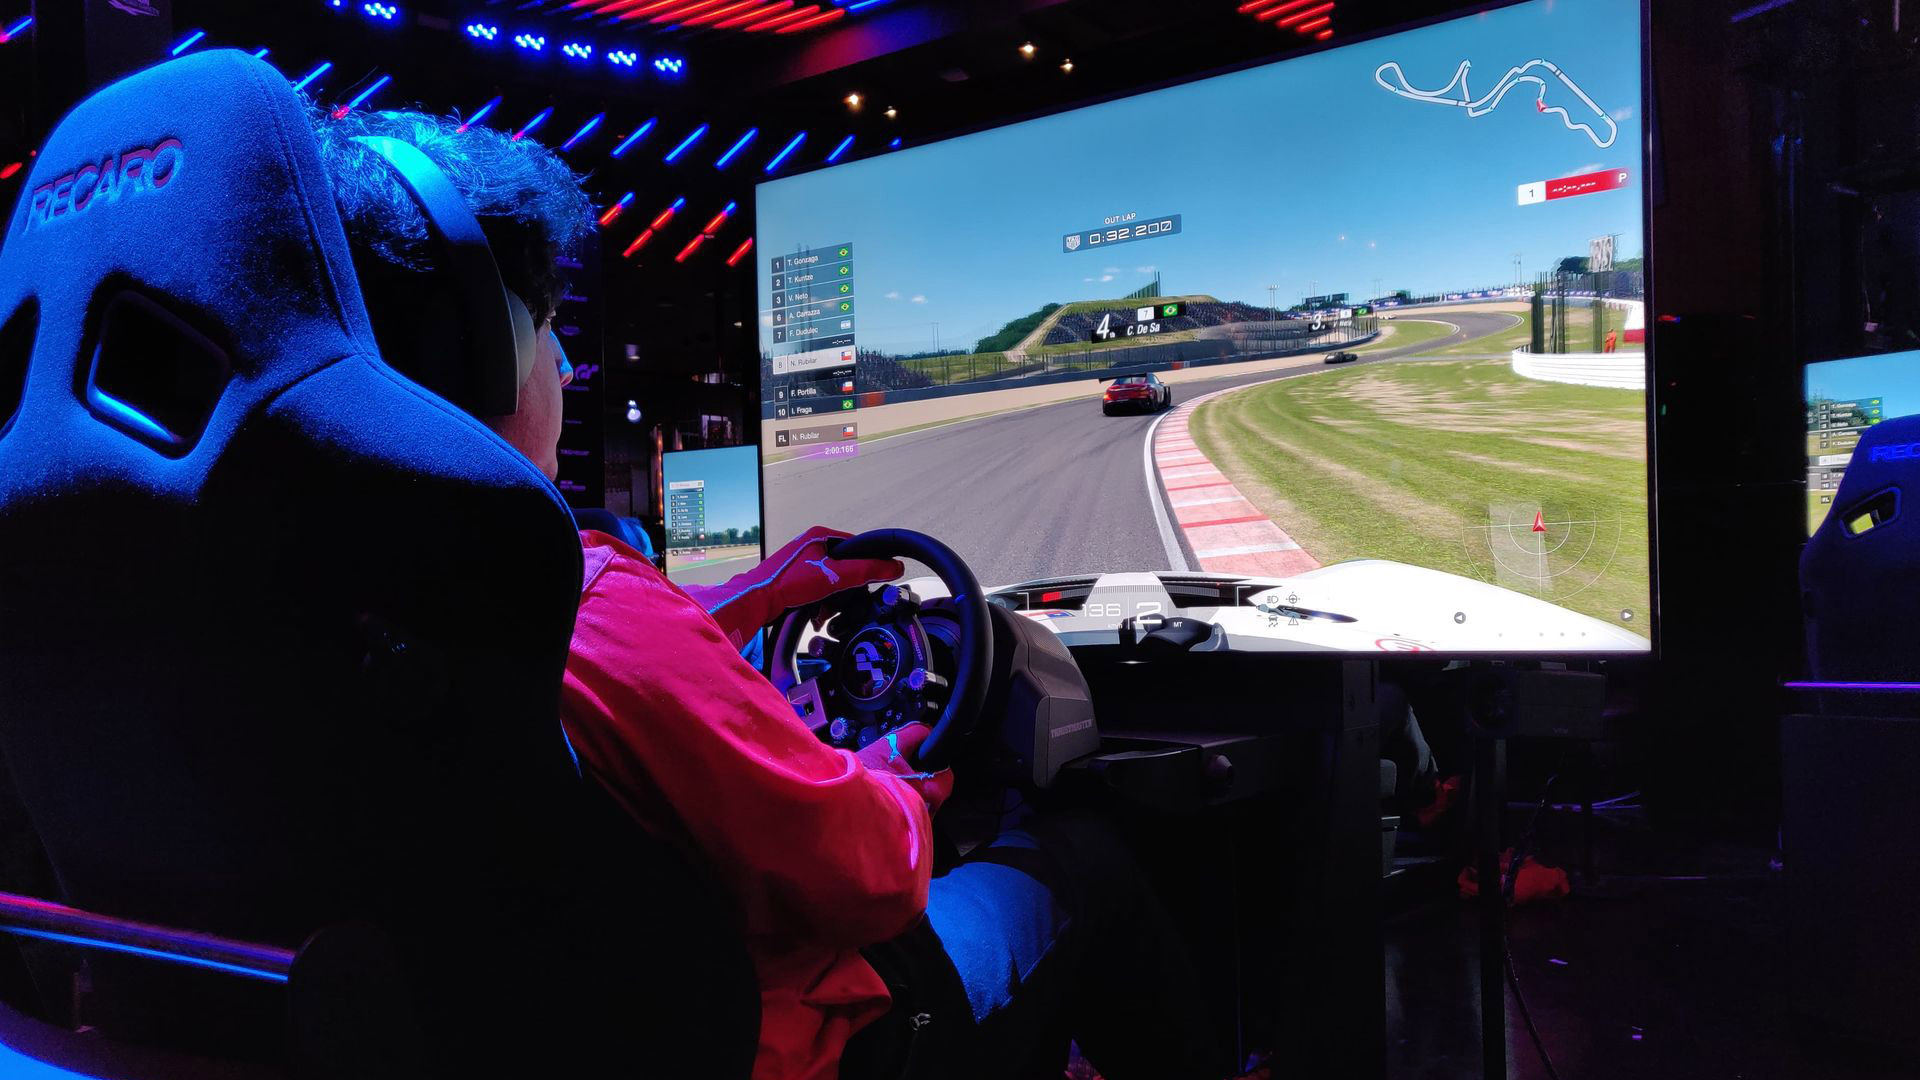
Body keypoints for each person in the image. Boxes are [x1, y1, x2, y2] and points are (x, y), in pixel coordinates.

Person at [308, 105, 1219, 1080]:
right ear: (479, 355)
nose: (565, 370)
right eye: (547, 334)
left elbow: (614, 680)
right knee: (1080, 858)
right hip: (789, 1045)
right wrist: (891, 780)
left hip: (514, 1035)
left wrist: (753, 595)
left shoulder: (334, 603)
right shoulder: (575, 597)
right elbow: (870, 880)